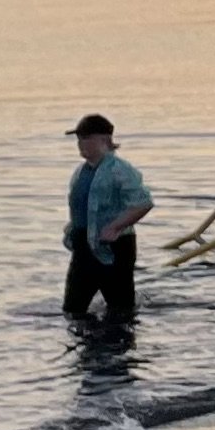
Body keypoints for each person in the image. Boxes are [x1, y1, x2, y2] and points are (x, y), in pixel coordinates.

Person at [65, 113, 152, 323]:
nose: (80, 143)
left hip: (114, 248)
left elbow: (143, 203)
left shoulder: (120, 170)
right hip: (84, 247)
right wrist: (71, 228)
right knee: (73, 310)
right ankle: (84, 350)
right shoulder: (81, 171)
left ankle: (119, 350)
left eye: (85, 138)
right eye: (78, 138)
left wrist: (115, 227)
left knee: (121, 311)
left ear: (104, 140)